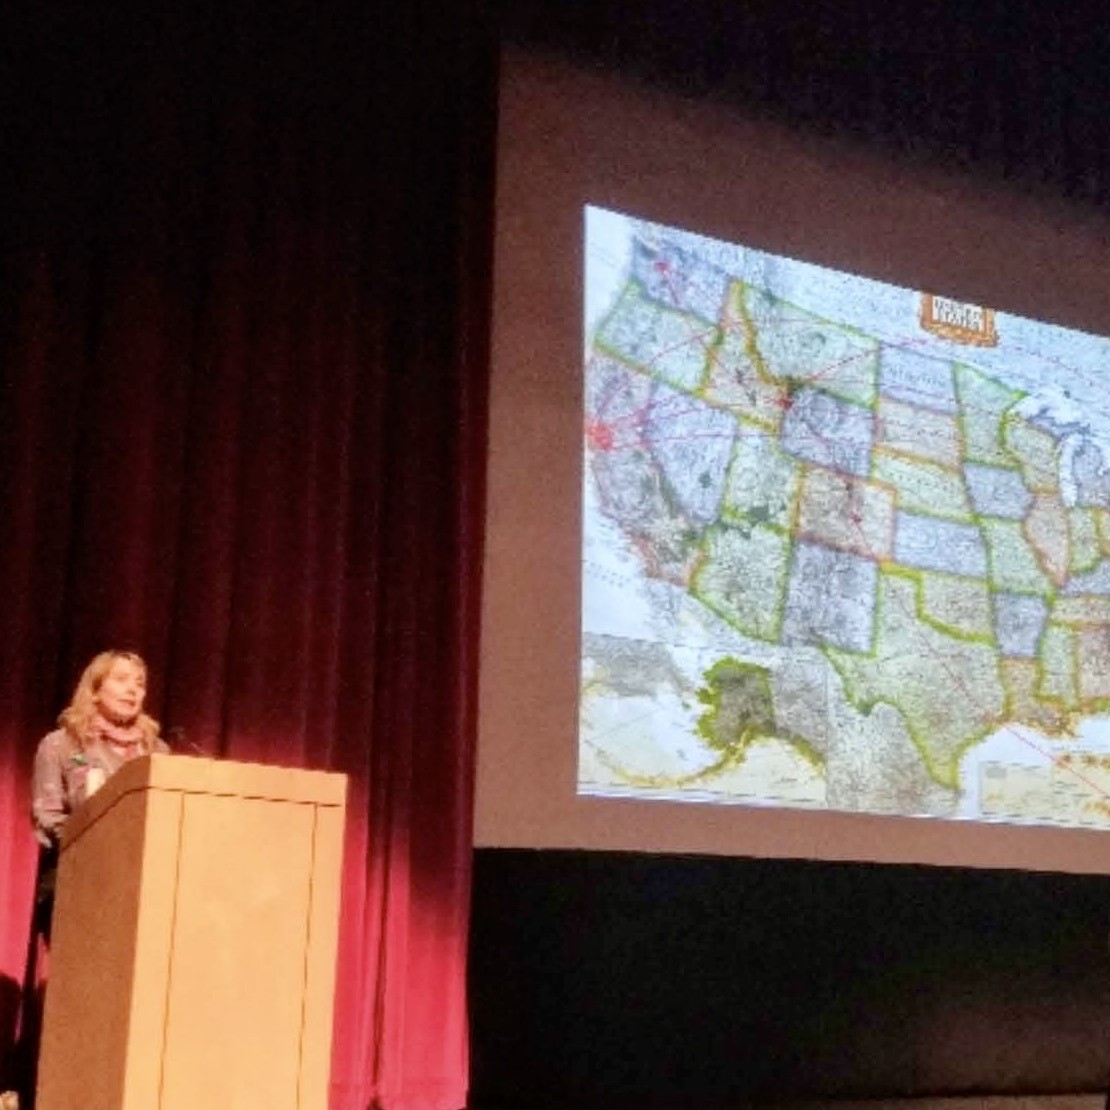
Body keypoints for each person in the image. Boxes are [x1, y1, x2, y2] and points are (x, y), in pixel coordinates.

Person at [31, 650, 169, 851]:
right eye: (121, 679)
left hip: (144, 866)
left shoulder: (156, 751)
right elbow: (48, 817)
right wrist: (100, 843)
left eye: (140, 684)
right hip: (79, 865)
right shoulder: (62, 744)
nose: (133, 690)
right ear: (95, 691)